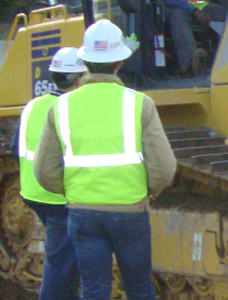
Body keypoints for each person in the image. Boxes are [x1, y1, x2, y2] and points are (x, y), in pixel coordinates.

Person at [33, 20, 177, 300]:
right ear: (121, 61)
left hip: (83, 213)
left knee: (94, 290)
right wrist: (148, 193)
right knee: (139, 289)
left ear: (85, 61)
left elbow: (44, 171)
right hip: (129, 212)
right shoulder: (139, 103)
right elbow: (164, 168)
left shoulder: (60, 106)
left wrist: (74, 192)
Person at [15, 47, 85, 300]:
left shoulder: (34, 105)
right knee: (61, 265)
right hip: (58, 198)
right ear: (79, 79)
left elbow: (16, 148)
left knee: (64, 258)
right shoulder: (71, 108)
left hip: (33, 192)